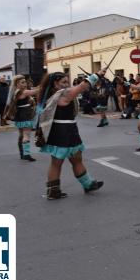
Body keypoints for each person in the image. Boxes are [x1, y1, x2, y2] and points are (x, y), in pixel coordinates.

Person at [37, 71, 104, 199]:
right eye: (63, 82)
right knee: (60, 162)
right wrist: (97, 74)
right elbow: (82, 86)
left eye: (67, 81)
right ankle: (56, 190)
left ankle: (85, 184)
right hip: (65, 132)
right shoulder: (62, 94)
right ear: (55, 84)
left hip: (64, 131)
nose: (67, 84)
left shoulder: (51, 94)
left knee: (73, 159)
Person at [6, 75, 39, 161]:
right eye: (22, 82)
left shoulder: (15, 92)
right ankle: (26, 154)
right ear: (17, 84)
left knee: (21, 135)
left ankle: (22, 153)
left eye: (25, 82)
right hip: (25, 115)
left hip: (19, 115)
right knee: (26, 135)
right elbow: (36, 91)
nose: (25, 84)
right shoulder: (23, 92)